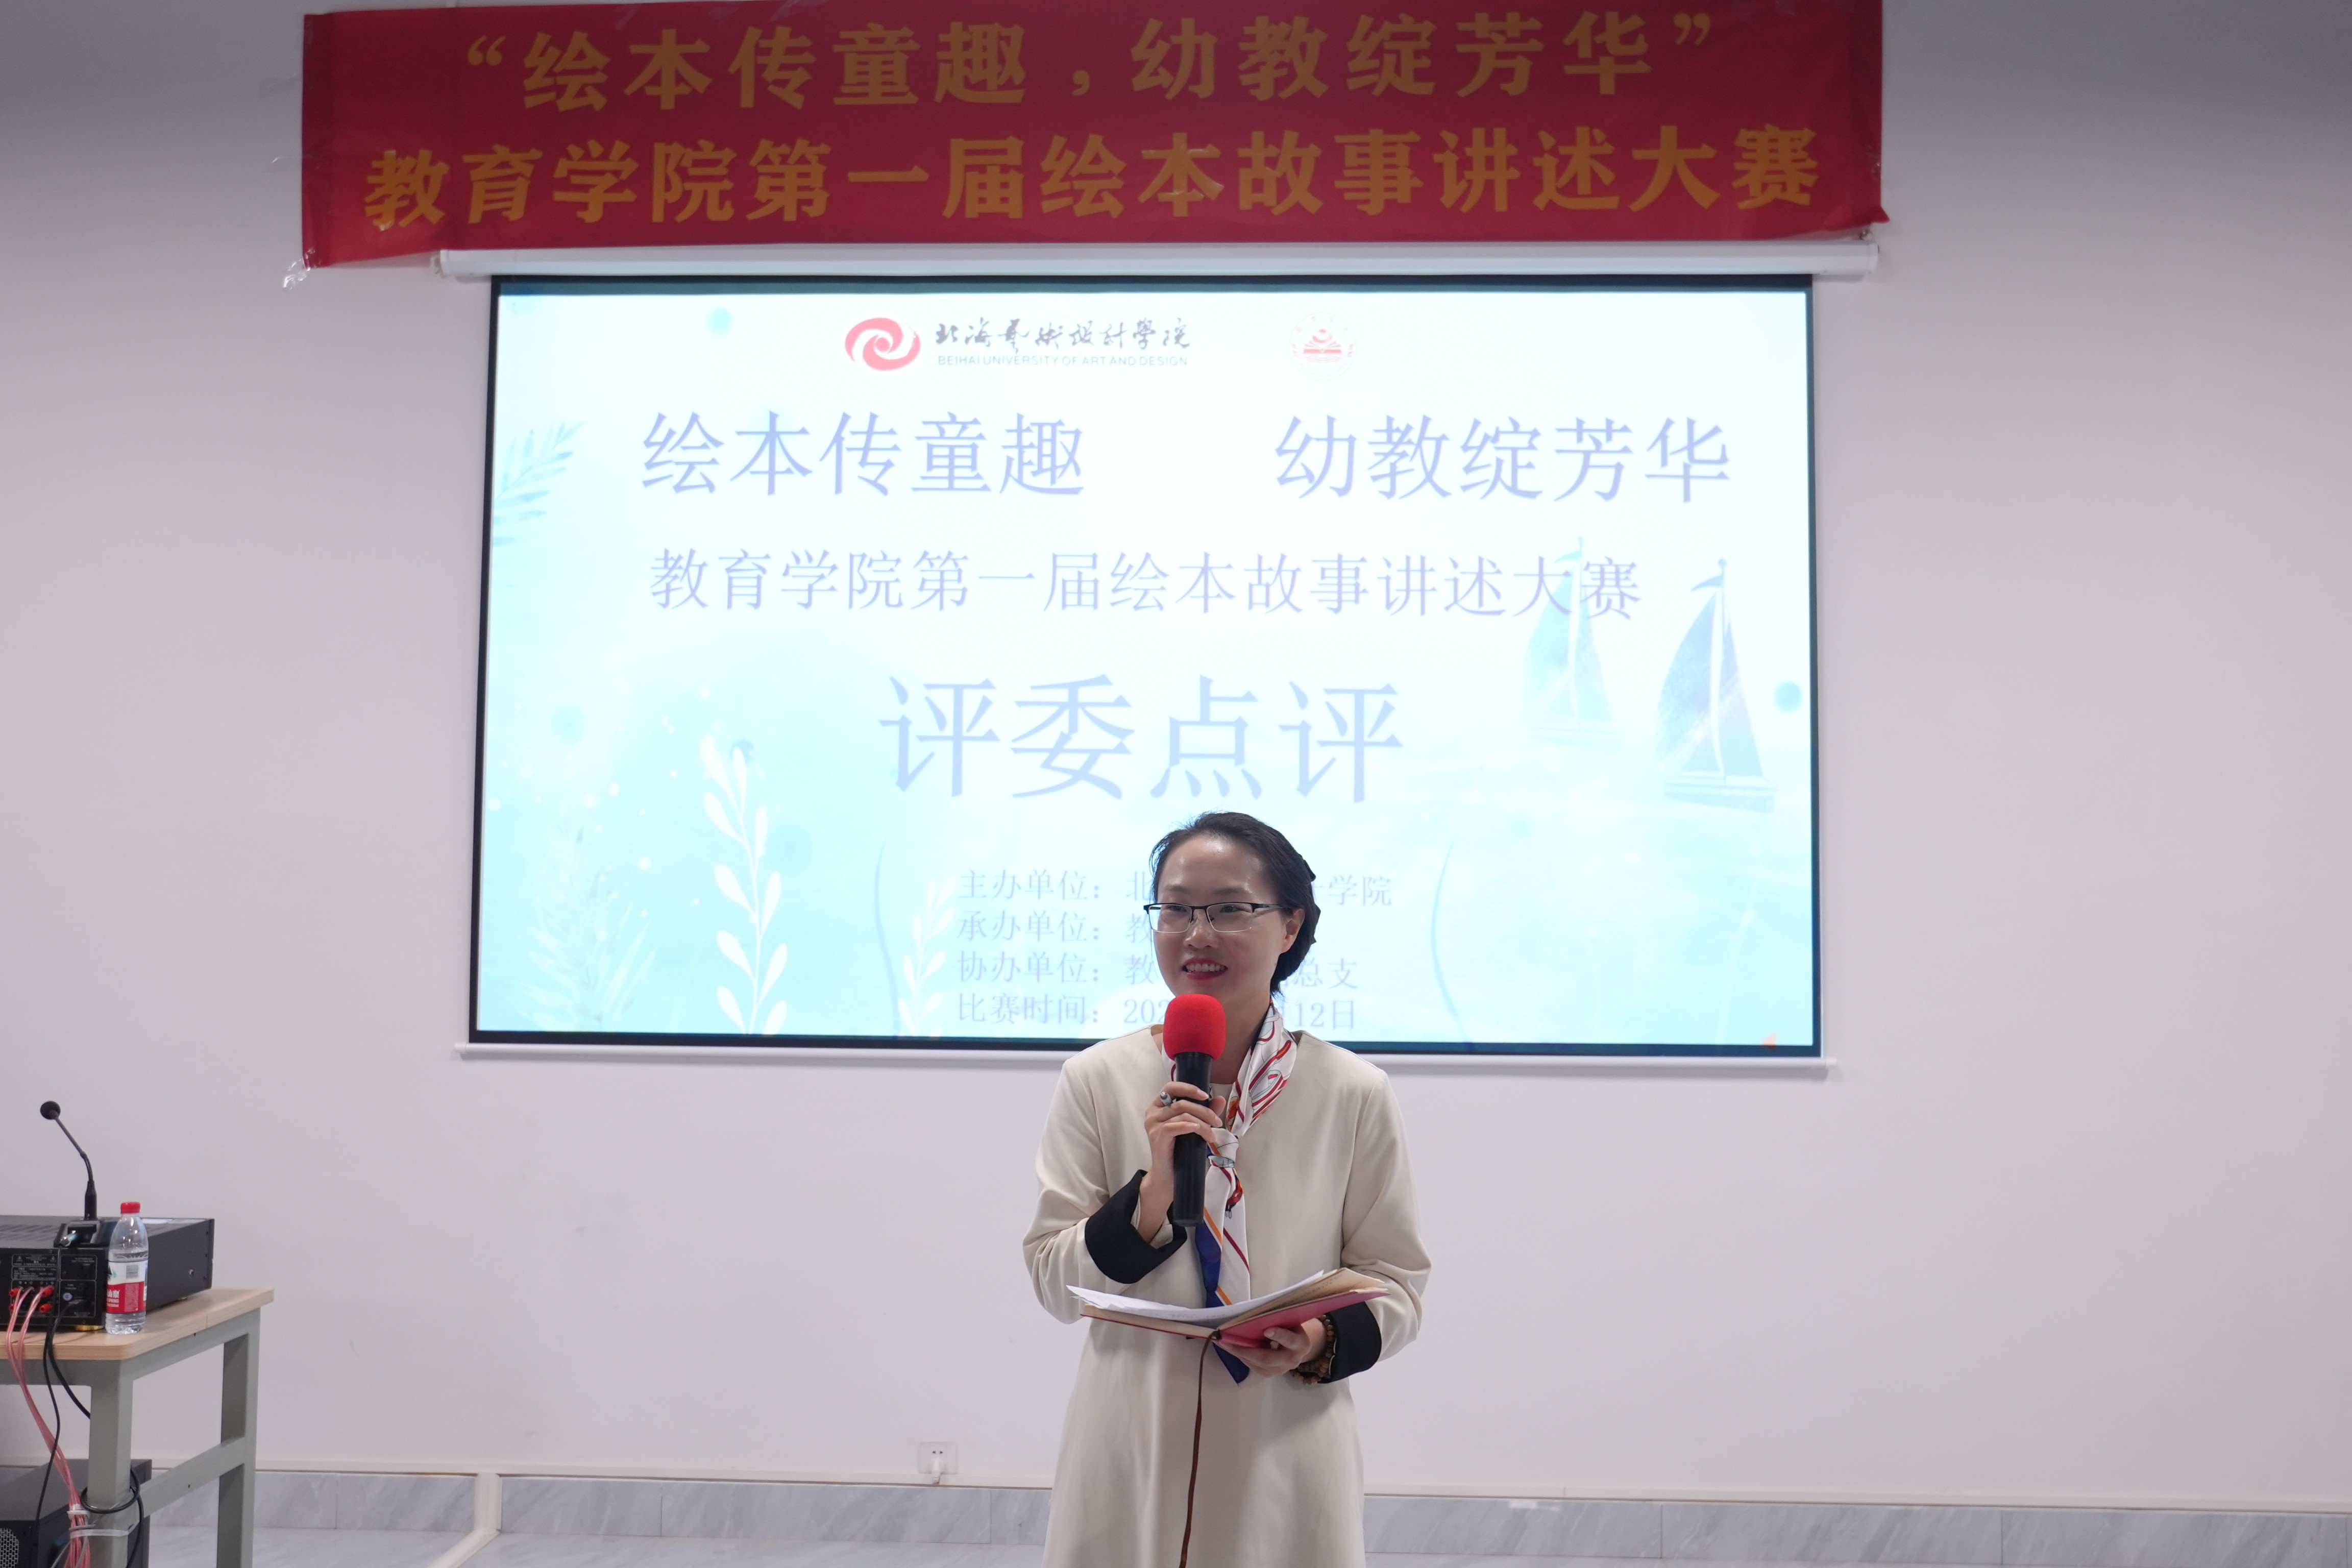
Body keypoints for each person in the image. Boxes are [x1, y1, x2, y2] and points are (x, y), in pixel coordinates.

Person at [1023, 812, 1431, 1568]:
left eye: (1229, 909)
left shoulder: (1352, 1092)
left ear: (1291, 926)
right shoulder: (1097, 1079)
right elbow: (1054, 1281)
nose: (1197, 934)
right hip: (1132, 1434)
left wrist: (1320, 1338)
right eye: (1176, 909)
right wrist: (1152, 1197)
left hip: (1285, 1435)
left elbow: (1396, 1283)